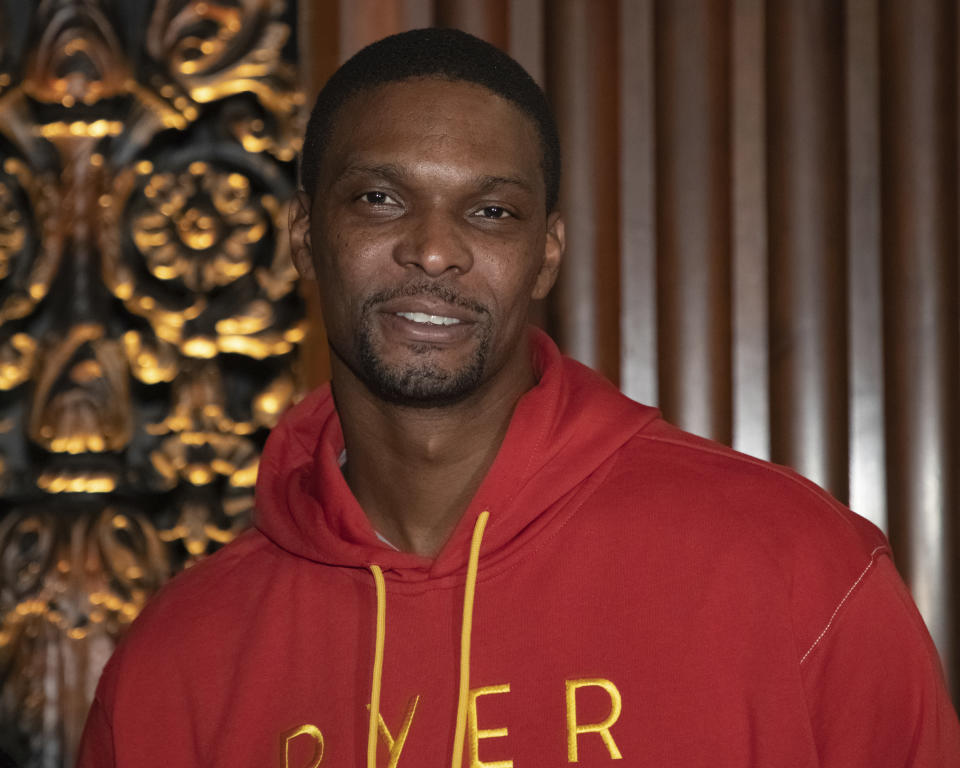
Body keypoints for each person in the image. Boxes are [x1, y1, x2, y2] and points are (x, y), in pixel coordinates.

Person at [77, 27, 960, 768]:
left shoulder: (798, 573)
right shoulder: (175, 668)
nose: (433, 250)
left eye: (491, 212)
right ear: (306, 238)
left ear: (546, 253)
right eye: (381, 199)